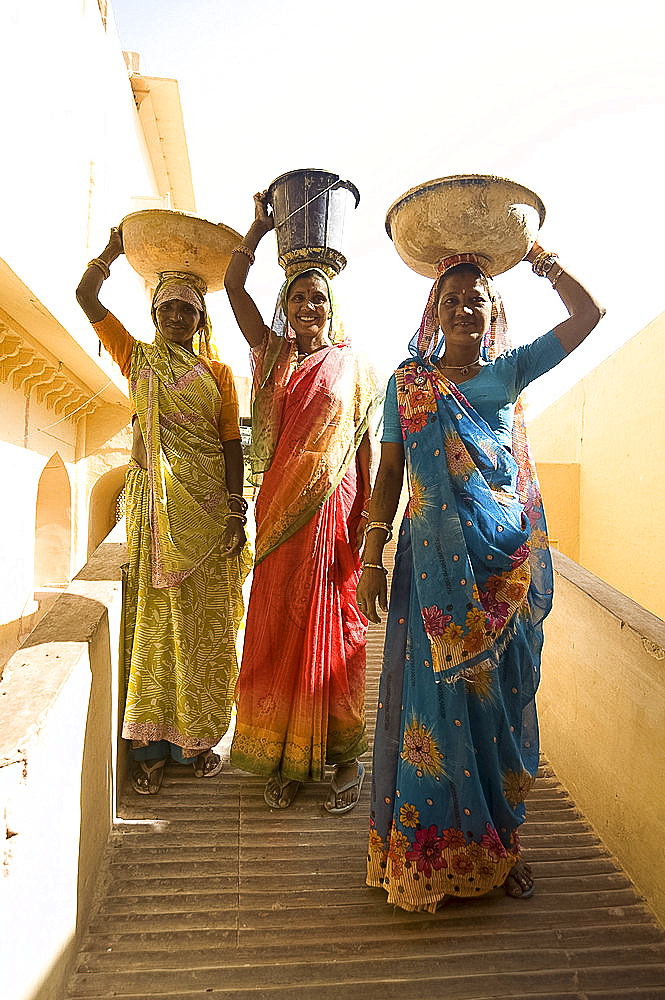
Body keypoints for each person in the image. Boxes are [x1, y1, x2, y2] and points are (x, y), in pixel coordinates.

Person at [357, 243, 604, 911]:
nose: (463, 307)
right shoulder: (406, 384)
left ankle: (501, 848)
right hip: (431, 576)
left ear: (493, 311)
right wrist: (371, 549)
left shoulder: (511, 369)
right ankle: (429, 860)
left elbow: (590, 313)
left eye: (475, 298)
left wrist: (543, 261)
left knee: (496, 715)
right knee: (433, 715)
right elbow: (388, 475)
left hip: (502, 574)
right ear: (431, 312)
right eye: (450, 298)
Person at [76, 228, 252, 795]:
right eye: (167, 307)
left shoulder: (218, 375)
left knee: (207, 632)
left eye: (186, 309)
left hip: (206, 519)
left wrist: (233, 512)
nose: (176, 315)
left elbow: (230, 444)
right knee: (158, 629)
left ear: (200, 319)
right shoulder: (138, 358)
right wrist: (109, 252)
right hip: (156, 522)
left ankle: (196, 743)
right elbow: (86, 298)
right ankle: (150, 748)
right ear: (154, 314)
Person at [225, 192, 377, 812]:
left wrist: (371, 538)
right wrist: (259, 227)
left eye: (318, 298)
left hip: (336, 525)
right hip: (281, 521)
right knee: (275, 632)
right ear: (284, 306)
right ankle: (285, 756)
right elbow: (235, 286)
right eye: (297, 297)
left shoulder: (356, 368)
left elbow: (371, 454)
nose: (308, 307)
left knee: (335, 637)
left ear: (331, 306)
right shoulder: (273, 356)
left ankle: (342, 762)